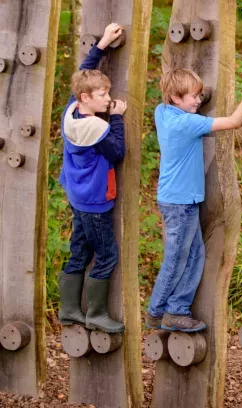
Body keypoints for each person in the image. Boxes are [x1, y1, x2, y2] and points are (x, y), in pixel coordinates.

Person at [144, 66, 242, 332]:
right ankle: (155, 312)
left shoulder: (162, 113)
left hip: (181, 199)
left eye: (201, 96)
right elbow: (234, 122)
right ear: (176, 98)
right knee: (176, 258)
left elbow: (181, 101)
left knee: (194, 256)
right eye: (194, 97)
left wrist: (196, 93)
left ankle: (177, 309)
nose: (199, 101)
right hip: (179, 202)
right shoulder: (187, 123)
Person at [57, 23, 128, 333]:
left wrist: (100, 46)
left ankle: (69, 309)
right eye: (103, 95)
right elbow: (117, 152)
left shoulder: (72, 111)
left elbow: (82, 75)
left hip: (77, 193)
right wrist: (116, 117)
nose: (108, 99)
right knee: (107, 254)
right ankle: (96, 313)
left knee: (79, 250)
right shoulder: (95, 128)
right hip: (95, 200)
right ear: (87, 97)